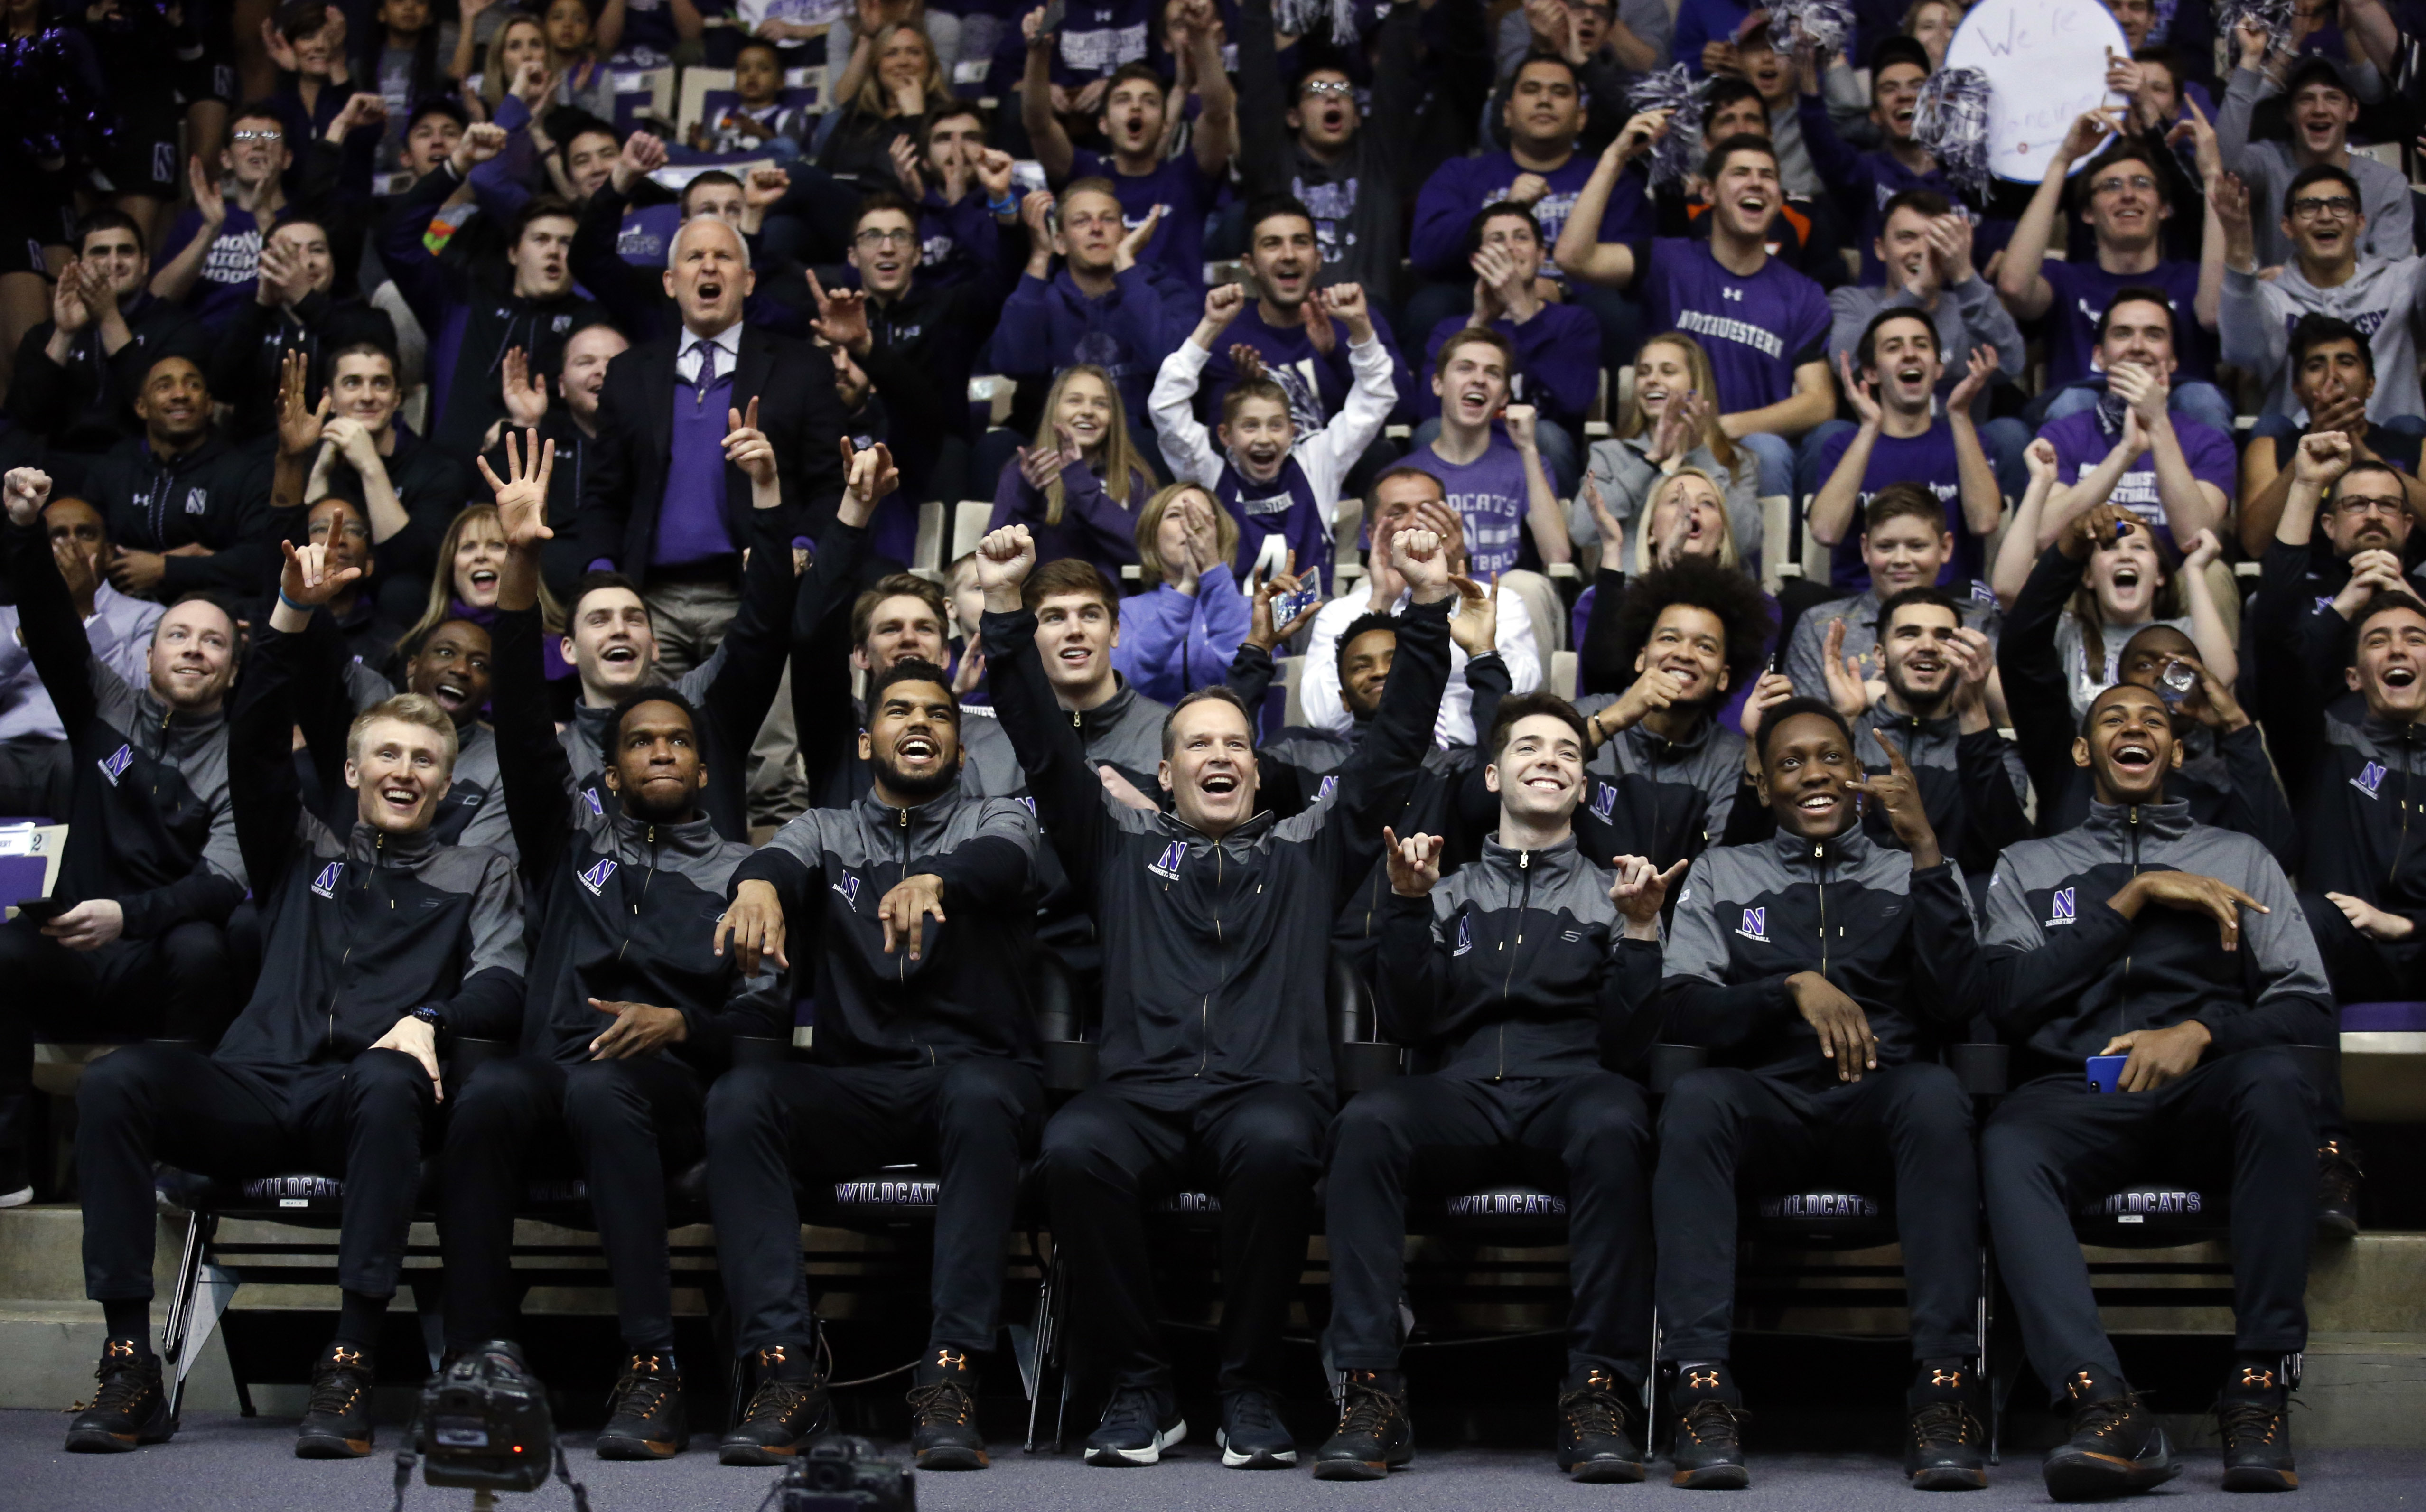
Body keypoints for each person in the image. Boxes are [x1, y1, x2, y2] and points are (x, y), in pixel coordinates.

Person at [978, 515, 1456, 1469]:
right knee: (1074, 1148)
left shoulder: (1308, 850)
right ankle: (1140, 1389)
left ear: (1257, 763)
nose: (1221, 758)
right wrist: (1000, 609)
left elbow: (1394, 750)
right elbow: (1038, 744)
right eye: (1198, 745)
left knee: (1282, 1147)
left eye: (1237, 742)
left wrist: (1431, 609)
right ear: (1167, 772)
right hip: (1143, 1093)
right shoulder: (1118, 841)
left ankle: (1247, 1388)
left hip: (1266, 1091)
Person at [61, 528, 524, 1459]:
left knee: (395, 1079)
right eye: (385, 755)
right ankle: (127, 1361)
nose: (403, 771)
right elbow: (259, 735)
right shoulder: (297, 845)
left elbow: (504, 980)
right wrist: (290, 613)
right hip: (256, 1078)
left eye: (423, 761)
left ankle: (349, 1357)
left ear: (445, 782)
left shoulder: (478, 871)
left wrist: (425, 1020)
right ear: (352, 771)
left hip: (361, 1097)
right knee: (115, 1083)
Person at [429, 431, 784, 1461]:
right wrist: (523, 561)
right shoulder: (568, 840)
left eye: (679, 741)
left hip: (668, 1092)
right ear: (614, 772)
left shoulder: (741, 876)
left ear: (706, 769)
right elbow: (522, 724)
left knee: (601, 1087)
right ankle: (484, 1356)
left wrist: (686, 1020)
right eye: (640, 743)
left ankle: (653, 1364)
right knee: (491, 1089)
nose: (663, 751)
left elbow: (759, 1041)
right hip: (559, 1076)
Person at [1979, 678, 2330, 1499]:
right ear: (2082, 749)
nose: (2133, 729)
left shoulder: (2242, 858)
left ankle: (2257, 1387)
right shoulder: (2028, 866)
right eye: (2112, 719)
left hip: (2204, 1092)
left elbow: (2307, 1006)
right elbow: (2005, 999)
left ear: (2175, 752)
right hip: (2077, 1094)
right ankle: (2103, 1405)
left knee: (2277, 1083)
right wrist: (2131, 900)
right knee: (2006, 1141)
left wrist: (2203, 1032)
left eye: (2153, 722)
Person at [708, 636, 1045, 1472]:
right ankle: (783, 1370)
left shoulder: (996, 814)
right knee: (741, 1100)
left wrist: (941, 881)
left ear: (960, 747)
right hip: (856, 1082)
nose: (919, 723)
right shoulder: (825, 829)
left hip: (976, 1074)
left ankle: (951, 1372)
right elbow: (777, 861)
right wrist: (753, 886)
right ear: (868, 743)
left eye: (938, 714)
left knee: (977, 1097)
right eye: (898, 712)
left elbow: (1004, 863)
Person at [1314, 695, 1672, 1482]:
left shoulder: (1617, 891)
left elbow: (1626, 1043)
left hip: (1573, 1084)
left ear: (1581, 787)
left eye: (1568, 753)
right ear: (1493, 773)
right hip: (1461, 1088)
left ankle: (1599, 1391)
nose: (1550, 759)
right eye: (1529, 748)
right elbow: (1408, 1020)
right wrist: (1407, 907)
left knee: (1618, 1123)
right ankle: (1371, 1387)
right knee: (1368, 1123)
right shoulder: (1442, 884)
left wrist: (1641, 933)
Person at [1650, 697, 1988, 1491]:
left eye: (1831, 757)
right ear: (1762, 783)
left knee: (1938, 1097)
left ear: (1859, 772)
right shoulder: (1725, 872)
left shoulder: (1912, 866)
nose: (1815, 774)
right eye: (1792, 762)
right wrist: (1789, 988)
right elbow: (1683, 1004)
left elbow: (1958, 999)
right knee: (1695, 1104)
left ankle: (1943, 1388)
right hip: (1768, 1103)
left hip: (1882, 1102)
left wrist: (1926, 849)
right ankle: (1701, 1386)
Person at [0, 472, 244, 1206]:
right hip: (73, 956)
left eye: (213, 642)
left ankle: (179, 1157)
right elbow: (50, 626)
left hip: (157, 966)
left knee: (205, 946)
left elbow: (224, 881)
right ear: (146, 655)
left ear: (232, 671)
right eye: (179, 635)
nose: (194, 650)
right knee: (4, 947)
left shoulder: (240, 760)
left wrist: (128, 917)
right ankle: (7, 1167)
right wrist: (23, 531)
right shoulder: (105, 704)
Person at [2250, 433, 2424, 1232]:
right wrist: (2304, 491)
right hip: (2344, 948)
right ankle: (2328, 1157)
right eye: (2378, 643)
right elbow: (2278, 643)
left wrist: (2407, 927)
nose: (2398, 649)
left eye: (2415, 639)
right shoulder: (2322, 736)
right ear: (2352, 674)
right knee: (2305, 919)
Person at [576, 214, 846, 671]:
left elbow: (829, 485)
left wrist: (800, 548)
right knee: (649, 740)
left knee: (761, 744)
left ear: (749, 280)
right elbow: (604, 492)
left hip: (756, 596)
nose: (708, 267)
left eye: (723, 256)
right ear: (669, 281)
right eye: (694, 256)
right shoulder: (627, 372)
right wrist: (602, 575)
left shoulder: (803, 368)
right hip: (649, 604)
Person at [557, 403, 802, 842]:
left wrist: (766, 490)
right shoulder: (556, 756)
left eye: (634, 619)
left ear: (654, 646)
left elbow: (763, 622)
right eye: (599, 620)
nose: (619, 630)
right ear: (568, 648)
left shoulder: (701, 706)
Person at [1561, 129, 1836, 504]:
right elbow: (1574, 258)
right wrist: (1615, 156)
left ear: (1780, 199)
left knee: (1770, 452)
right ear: (1708, 193)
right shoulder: (1668, 261)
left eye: (1767, 175)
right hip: (1668, 441)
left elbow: (1819, 401)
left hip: (1749, 449)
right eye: (1740, 173)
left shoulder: (1803, 293)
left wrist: (1724, 428)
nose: (1756, 183)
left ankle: (1763, 563)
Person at [1409, 54, 1647, 370]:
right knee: (1430, 306)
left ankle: (1617, 414)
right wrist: (1504, 207)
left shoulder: (1614, 180)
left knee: (1618, 312)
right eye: (1531, 90)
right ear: (1507, 113)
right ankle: (1436, 411)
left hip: (1574, 303)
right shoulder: (1461, 173)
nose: (1545, 100)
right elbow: (1426, 253)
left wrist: (1560, 289)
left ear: (1581, 117)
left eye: (1560, 92)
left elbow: (1631, 266)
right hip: (1481, 297)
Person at [1993, 122, 2232, 436]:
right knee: (2073, 401)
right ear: (2088, 213)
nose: (2128, 195)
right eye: (2111, 186)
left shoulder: (2191, 278)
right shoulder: (2065, 279)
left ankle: (2207, 487)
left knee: (2202, 399)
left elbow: (2216, 313)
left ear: (2164, 208)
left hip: (2177, 421)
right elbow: (2013, 287)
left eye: (2142, 184)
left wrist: (2213, 175)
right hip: (2083, 426)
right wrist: (2063, 161)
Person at [1773, 586, 2028, 878]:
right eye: (1909, 633)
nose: (1928, 646)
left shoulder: (1991, 747)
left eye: (1944, 637)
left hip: (1957, 912)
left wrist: (1973, 712)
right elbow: (1805, 841)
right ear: (1880, 657)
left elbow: (2007, 849)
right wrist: (1844, 721)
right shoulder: (1851, 734)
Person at [1150, 281, 1392, 590]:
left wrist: (1360, 327)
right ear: (1225, 436)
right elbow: (1164, 406)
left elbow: (1377, 397)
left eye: (1276, 426)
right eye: (1250, 426)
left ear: (1294, 433)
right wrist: (1210, 327)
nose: (1264, 438)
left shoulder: (1316, 462)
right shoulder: (1207, 474)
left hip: (1307, 622)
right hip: (1233, 626)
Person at [802, 191, 1010, 532]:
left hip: (930, 462)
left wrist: (1004, 206)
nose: (887, 248)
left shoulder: (950, 308)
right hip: (848, 449)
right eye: (873, 236)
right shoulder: (836, 318)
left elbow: (1003, 277)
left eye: (900, 235)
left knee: (951, 450)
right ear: (853, 256)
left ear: (918, 253)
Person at [379, 150, 604, 465]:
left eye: (566, 243)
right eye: (540, 240)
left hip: (548, 485)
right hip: (453, 486)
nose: (554, 251)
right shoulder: (462, 302)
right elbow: (394, 240)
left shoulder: (593, 324)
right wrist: (455, 168)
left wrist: (528, 430)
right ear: (513, 253)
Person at [1300, 467, 1544, 749]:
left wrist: (1449, 590)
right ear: (1371, 533)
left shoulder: (1497, 602)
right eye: (1397, 513)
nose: (1415, 523)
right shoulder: (1341, 615)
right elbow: (1328, 717)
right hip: (1379, 759)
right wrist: (1382, 604)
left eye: (1428, 511)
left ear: (1453, 522)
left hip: (1475, 756)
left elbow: (1521, 699)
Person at [1574, 552, 1773, 869]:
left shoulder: (1730, 757)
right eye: (1669, 638)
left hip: (1683, 916)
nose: (1684, 654)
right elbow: (1515, 788)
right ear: (1641, 658)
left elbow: (1736, 869)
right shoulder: (1583, 716)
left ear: (1723, 677)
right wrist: (1613, 719)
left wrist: (1755, 749)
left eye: (1705, 647)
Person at [2216, 165, 2426, 446]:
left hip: (2391, 446)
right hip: (2303, 445)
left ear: (2360, 222)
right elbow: (2241, 350)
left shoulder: (2403, 281)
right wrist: (2239, 252)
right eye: (2309, 207)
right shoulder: (2271, 298)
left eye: (2340, 206)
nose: (2326, 216)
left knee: (2410, 427)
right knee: (2271, 428)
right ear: (2287, 226)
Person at [1232, 0, 1425, 297]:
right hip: (1295, 315)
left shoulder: (1378, 162)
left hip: (1368, 318)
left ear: (1358, 115)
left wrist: (1404, 10)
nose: (1332, 99)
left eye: (1343, 92)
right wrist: (1256, 9)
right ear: (1293, 116)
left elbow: (1396, 84)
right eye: (1317, 91)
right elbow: (1258, 93)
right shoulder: (1273, 163)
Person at [1022, 21, 1234, 291]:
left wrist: (1202, 42)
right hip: (1097, 320)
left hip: (1173, 322)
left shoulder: (1188, 176)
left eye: (1149, 101)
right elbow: (1038, 124)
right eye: (1123, 100)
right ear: (1104, 124)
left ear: (1165, 125)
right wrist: (1038, 54)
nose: (1136, 107)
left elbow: (1218, 115)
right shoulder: (1084, 176)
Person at [1807, 309, 2003, 592]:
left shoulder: (1969, 440)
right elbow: (1825, 531)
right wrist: (1869, 428)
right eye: (1894, 347)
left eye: (1921, 345)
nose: (1910, 355)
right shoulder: (1842, 446)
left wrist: (1959, 414)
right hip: (1863, 603)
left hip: (1948, 603)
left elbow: (1984, 522)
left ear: (1937, 368)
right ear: (1872, 372)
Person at [2027, 290, 2235, 551]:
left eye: (2154, 335)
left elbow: (2195, 539)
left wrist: (2158, 422)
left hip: (2173, 583)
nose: (2137, 347)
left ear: (2172, 361)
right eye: (2123, 334)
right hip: (2084, 579)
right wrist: (2126, 451)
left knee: (2214, 576)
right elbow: (2043, 536)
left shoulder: (2209, 441)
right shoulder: (2061, 434)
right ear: (2099, 357)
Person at [0, 495, 165, 823]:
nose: (71, 544)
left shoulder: (148, 618)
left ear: (107, 552)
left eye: (86, 534)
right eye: (56, 535)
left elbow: (141, 702)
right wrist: (32, 623)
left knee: (88, 763)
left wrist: (84, 611)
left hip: (85, 750)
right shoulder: (4, 617)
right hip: (8, 747)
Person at [1194, 198, 1416, 442]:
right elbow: (1220, 441)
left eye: (1301, 242)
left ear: (1318, 259)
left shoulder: (1353, 318)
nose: (1289, 255)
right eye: (1272, 244)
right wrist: (1246, 392)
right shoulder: (1231, 337)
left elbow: (1403, 412)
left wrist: (1338, 354)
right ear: (1251, 264)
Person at [1413, 204, 1601, 486]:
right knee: (1430, 433)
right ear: (1477, 259)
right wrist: (1477, 325)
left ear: (1542, 255)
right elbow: (1429, 412)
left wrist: (1523, 312)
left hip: (1538, 441)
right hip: (1467, 440)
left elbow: (1576, 401)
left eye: (1521, 238)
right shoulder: (1451, 329)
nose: (1510, 248)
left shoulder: (1573, 322)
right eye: (1498, 240)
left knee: (1548, 436)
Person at [990, 178, 1188, 441]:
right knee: (997, 445)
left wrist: (1127, 268)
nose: (1096, 229)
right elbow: (1014, 365)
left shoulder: (1166, 293)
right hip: (1055, 444)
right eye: (1081, 221)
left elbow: (1168, 366)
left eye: (1108, 220)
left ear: (1126, 235)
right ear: (1060, 242)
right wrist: (1040, 256)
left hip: (1139, 442)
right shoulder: (1040, 299)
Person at [6, 211, 201, 472]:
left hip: (142, 468)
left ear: (144, 264)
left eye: (125, 252)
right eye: (100, 252)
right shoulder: (46, 333)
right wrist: (64, 334)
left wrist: (109, 320)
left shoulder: (177, 327)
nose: (114, 262)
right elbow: (30, 418)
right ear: (76, 265)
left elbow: (160, 411)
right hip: (59, 466)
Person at [81, 353, 275, 606]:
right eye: (164, 386)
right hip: (120, 606)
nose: (180, 395)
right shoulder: (112, 468)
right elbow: (84, 544)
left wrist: (169, 569)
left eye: (193, 385)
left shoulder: (246, 473)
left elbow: (263, 562)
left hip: (215, 609)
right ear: (141, 407)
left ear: (208, 405)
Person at [308, 340, 475, 623]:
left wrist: (371, 467)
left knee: (402, 591)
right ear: (330, 398)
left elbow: (417, 566)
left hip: (396, 615)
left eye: (381, 384)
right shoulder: (308, 461)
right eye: (352, 383)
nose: (367, 396)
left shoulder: (439, 469)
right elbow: (296, 550)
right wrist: (319, 476)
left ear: (397, 398)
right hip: (324, 597)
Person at [1785, 485, 2000, 697]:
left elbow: (2012, 717)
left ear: (1945, 548)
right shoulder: (1819, 627)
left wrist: (1881, 696)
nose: (1901, 560)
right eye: (1886, 547)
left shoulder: (1978, 622)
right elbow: (1805, 723)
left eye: (1917, 546)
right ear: (1866, 550)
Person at [2215, 43, 2410, 269]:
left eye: (2332, 98)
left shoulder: (2387, 184)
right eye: (2306, 99)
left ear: (2352, 110)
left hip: (2360, 303)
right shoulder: (2267, 164)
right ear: (2288, 112)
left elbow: (2395, 281)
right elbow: (2221, 163)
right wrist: (2249, 61)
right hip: (2278, 302)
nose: (2319, 109)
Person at [1575, 332, 1761, 567]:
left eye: (1668, 371)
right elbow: (1582, 530)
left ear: (1696, 384)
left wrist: (1701, 455)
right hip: (1633, 593)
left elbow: (1746, 541)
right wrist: (1648, 462)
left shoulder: (1735, 459)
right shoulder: (1610, 454)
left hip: (1714, 596)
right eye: (1643, 373)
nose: (1652, 380)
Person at [483, 322, 632, 601]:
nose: (601, 370)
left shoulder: (656, 446)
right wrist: (525, 423)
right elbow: (490, 513)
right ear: (561, 386)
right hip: (540, 598)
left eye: (614, 362)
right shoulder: (543, 442)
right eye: (585, 362)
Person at [1406, 327, 1569, 579]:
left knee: (1528, 583)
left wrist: (1528, 448)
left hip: (1506, 602)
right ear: (1437, 384)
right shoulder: (1404, 475)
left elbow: (1557, 556)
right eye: (1465, 368)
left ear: (1504, 397)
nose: (1479, 380)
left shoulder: (1527, 465)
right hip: (1432, 597)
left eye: (1492, 373)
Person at [986, 364, 1155, 579]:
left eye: (1101, 404)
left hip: (1109, 605)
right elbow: (998, 557)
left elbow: (1147, 551)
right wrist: (1027, 501)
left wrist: (1079, 480)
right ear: (1054, 411)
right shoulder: (1024, 470)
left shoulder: (1132, 477)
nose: (1087, 411)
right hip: (1038, 602)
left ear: (1114, 417)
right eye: (1074, 401)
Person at [148, 103, 294, 333]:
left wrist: (264, 214)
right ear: (226, 159)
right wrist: (210, 231)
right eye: (245, 137)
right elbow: (159, 296)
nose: (258, 145)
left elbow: (302, 295)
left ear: (287, 159)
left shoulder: (301, 221)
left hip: (272, 340)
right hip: (202, 340)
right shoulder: (197, 222)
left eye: (270, 136)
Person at [1115, 484, 1252, 703]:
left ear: (1219, 534)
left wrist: (1213, 571)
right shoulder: (1126, 612)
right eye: (1176, 515)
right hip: (1151, 734)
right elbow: (1122, 682)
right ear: (1152, 536)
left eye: (1201, 516)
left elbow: (1248, 675)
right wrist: (1185, 590)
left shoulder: (1247, 610)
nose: (1190, 525)